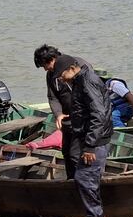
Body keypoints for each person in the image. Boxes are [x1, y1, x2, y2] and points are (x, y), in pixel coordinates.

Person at [53, 55, 112, 217]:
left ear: (72, 68)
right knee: (88, 177)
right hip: (91, 137)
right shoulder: (81, 80)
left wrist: (89, 146)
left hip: (96, 140)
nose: (60, 79)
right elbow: (86, 110)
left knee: (84, 177)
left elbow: (98, 114)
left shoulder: (87, 81)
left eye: (61, 74)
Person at [33, 45, 91, 180]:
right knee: (66, 152)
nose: (45, 69)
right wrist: (58, 114)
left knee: (76, 154)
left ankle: (83, 182)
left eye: (45, 64)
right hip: (67, 118)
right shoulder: (50, 75)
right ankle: (72, 180)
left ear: (53, 59)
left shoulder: (78, 65)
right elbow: (52, 97)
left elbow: (91, 92)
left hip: (83, 118)